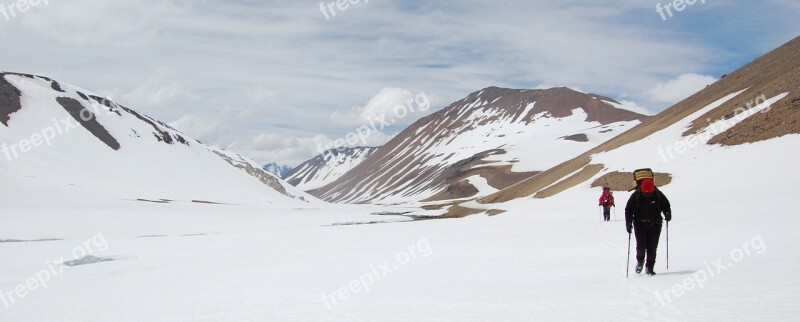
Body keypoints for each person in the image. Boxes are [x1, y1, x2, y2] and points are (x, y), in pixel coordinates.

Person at [625, 178, 671, 276]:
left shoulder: (658, 195)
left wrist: (667, 213)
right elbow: (628, 210)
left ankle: (650, 268)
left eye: (649, 193)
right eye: (645, 193)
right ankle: (640, 261)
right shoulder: (636, 196)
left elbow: (666, 205)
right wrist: (628, 223)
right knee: (641, 245)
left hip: (655, 224)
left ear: (652, 190)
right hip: (639, 224)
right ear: (641, 189)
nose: (647, 195)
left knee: (652, 247)